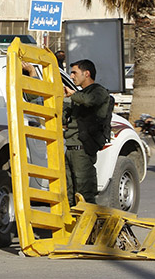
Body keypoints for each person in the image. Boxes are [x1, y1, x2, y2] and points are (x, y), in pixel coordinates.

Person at [62, 59, 109, 207]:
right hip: (70, 148)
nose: (72, 76)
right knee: (69, 194)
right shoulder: (79, 95)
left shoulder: (98, 92)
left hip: (82, 149)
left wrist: (72, 94)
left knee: (84, 195)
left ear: (86, 73)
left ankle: (92, 228)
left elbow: (89, 101)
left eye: (75, 72)